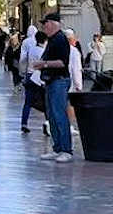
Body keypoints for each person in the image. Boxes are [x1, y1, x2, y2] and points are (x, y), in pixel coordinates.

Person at [32, 13, 74, 162]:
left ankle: (66, 150)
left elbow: (62, 62)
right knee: (51, 115)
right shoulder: (52, 40)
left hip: (59, 81)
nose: (44, 26)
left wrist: (44, 64)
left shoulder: (61, 39)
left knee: (59, 115)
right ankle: (57, 148)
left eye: (46, 23)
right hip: (50, 81)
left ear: (54, 24)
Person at [19, 25, 45, 134]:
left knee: (27, 102)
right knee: (46, 102)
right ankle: (47, 123)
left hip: (30, 76)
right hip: (40, 78)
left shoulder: (31, 48)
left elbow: (23, 59)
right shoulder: (43, 51)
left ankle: (24, 123)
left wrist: (22, 72)